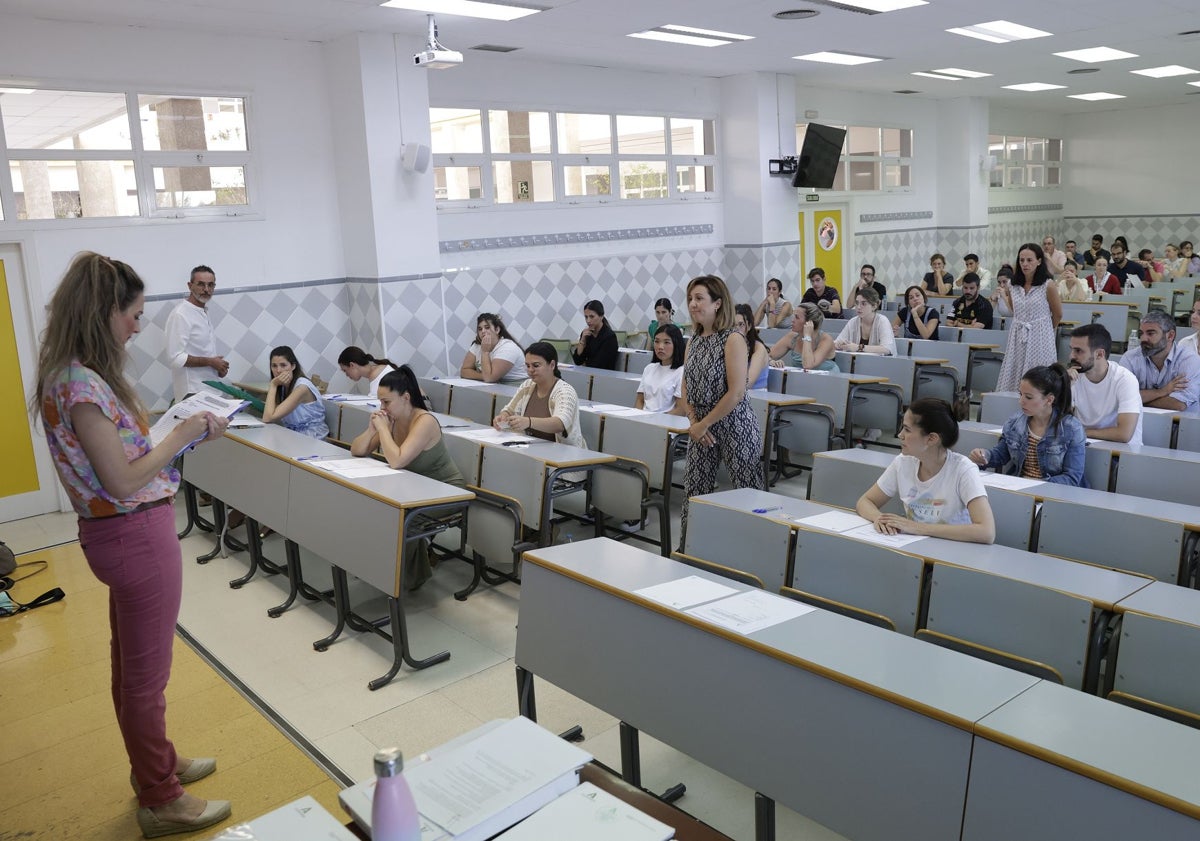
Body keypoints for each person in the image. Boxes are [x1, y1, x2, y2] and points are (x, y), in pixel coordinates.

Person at [34, 252, 232, 838]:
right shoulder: (81, 384)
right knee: (147, 679)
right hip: (133, 533)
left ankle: (156, 766)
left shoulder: (71, 375)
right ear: (104, 312)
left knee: (131, 670)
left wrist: (173, 435)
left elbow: (118, 463)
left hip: (117, 534)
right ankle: (160, 798)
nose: (138, 326)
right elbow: (122, 479)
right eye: (134, 315)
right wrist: (183, 432)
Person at [350, 366, 465, 590]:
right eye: (380, 402)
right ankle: (382, 566)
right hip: (414, 488)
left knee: (405, 520)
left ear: (405, 397)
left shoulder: (424, 421)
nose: (382, 408)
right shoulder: (391, 420)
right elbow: (358, 450)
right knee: (374, 509)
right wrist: (372, 429)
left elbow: (397, 461)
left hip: (446, 490)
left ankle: (410, 578)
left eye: (386, 402)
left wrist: (383, 430)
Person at [678, 275, 764, 541]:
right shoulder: (693, 340)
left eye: (699, 298)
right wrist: (694, 421)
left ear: (717, 303)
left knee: (748, 493)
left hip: (734, 425)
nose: (693, 304)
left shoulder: (733, 339)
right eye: (691, 298)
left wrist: (704, 423)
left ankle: (760, 548)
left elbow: (737, 391)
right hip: (701, 428)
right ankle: (689, 548)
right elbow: (685, 384)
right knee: (694, 493)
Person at [856, 398, 995, 544]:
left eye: (907, 430)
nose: (900, 435)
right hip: (917, 550)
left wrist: (918, 527)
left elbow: (987, 532)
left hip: (953, 552)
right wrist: (879, 518)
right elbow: (865, 501)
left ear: (931, 439)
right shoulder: (903, 462)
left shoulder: (963, 470)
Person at [968, 364, 1087, 486]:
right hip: (1021, 489)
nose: (1021, 401)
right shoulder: (1015, 422)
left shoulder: (1072, 428)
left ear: (1049, 400)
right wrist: (984, 455)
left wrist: (1035, 483)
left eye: (1028, 397)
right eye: (1021, 395)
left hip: (1053, 496)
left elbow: (1072, 478)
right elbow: (1000, 455)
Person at [493, 341, 586, 448]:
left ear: (552, 365)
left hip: (563, 452)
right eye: (527, 366)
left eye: (536, 366)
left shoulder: (564, 391)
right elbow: (509, 410)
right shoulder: (527, 385)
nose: (530, 370)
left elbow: (559, 424)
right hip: (531, 447)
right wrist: (503, 417)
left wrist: (528, 422)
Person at [996, 243, 1061, 392]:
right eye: (1021, 260)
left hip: (1040, 334)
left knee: (1038, 375)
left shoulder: (1048, 285)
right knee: (1015, 369)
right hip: (1018, 333)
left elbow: (1057, 314)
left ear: (1039, 261)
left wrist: (1044, 329)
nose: (1025, 264)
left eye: (1029, 260)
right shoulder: (1013, 284)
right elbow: (1015, 309)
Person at [1068, 324, 1143, 444]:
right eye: (1071, 349)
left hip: (1121, 453)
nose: (1071, 356)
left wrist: (1080, 432)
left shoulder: (1125, 379)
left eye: (1078, 351)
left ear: (1099, 354)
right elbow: (1061, 425)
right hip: (1082, 446)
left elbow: (1124, 434)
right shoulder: (1073, 376)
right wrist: (1065, 388)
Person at [164, 264, 228, 402]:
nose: (206, 290)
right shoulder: (181, 314)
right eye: (201, 284)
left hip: (211, 389)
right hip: (192, 392)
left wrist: (218, 367)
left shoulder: (202, 312)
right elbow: (175, 358)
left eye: (211, 285)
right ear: (190, 285)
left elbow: (200, 352)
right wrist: (211, 362)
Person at [1120, 309, 1200, 410]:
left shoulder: (1189, 360)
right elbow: (1120, 396)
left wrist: (1138, 399)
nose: (1143, 339)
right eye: (1141, 333)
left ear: (1170, 336)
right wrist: (1162, 392)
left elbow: (1179, 404)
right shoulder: (1130, 358)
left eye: (1150, 333)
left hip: (1177, 423)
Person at [261, 346, 328, 438]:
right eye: (274, 366)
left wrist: (273, 385)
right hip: (293, 434)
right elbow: (269, 416)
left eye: (283, 365)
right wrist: (275, 385)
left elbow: (267, 418)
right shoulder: (282, 386)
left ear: (293, 366)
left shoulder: (302, 387)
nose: (278, 370)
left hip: (312, 437)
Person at [768, 302, 837, 371]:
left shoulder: (826, 340)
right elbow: (767, 355)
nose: (792, 320)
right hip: (801, 379)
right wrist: (771, 361)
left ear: (809, 322)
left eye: (797, 317)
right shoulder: (792, 337)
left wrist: (807, 336)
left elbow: (808, 365)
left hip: (829, 379)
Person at [459, 312, 527, 383]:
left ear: (497, 330)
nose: (483, 331)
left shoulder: (508, 347)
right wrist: (484, 376)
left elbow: (489, 379)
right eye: (480, 329)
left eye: (487, 327)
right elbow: (464, 371)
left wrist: (485, 352)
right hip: (495, 386)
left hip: (516, 386)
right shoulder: (477, 345)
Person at [635, 324, 686, 413]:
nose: (660, 347)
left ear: (676, 344)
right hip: (642, 420)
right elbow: (640, 401)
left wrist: (656, 420)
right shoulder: (649, 368)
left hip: (665, 423)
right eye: (657, 341)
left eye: (666, 342)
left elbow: (680, 410)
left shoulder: (681, 372)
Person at [834, 287, 896, 355]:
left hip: (881, 364)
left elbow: (887, 349)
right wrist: (839, 344)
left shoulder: (882, 321)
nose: (858, 307)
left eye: (863, 304)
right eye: (857, 303)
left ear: (874, 306)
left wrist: (859, 347)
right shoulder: (853, 321)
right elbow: (837, 342)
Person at [571, 299, 619, 369]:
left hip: (604, 376)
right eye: (586, 317)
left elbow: (600, 364)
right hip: (589, 374)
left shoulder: (610, 337)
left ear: (601, 316)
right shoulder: (586, 334)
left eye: (592, 316)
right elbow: (577, 361)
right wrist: (582, 341)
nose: (588, 321)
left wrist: (586, 363)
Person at [734, 303, 770, 389]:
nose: (736, 330)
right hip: (737, 394)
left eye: (741, 324)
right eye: (732, 325)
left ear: (749, 326)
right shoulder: (730, 346)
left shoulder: (758, 348)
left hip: (756, 397)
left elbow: (749, 382)